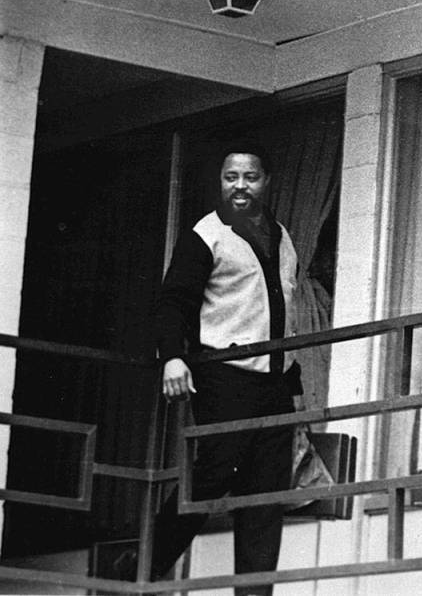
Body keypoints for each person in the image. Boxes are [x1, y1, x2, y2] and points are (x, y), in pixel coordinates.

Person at [149, 142, 299, 596]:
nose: (240, 186)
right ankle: (140, 569)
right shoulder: (206, 233)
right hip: (226, 374)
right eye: (230, 177)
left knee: (265, 495)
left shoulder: (282, 234)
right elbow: (174, 299)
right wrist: (173, 355)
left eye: (250, 177)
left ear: (266, 181)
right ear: (221, 182)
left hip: (275, 382)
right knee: (213, 475)